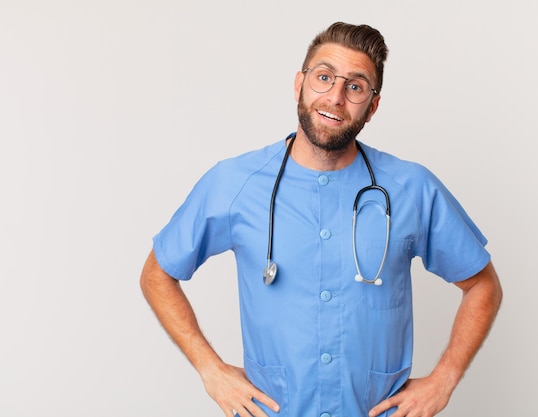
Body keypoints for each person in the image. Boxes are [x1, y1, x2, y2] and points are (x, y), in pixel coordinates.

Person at [140, 21, 503, 417]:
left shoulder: (411, 188)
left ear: (373, 106)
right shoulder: (235, 184)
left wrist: (444, 379)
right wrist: (210, 370)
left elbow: (483, 285)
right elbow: (157, 274)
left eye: (355, 86)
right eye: (324, 77)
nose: (335, 97)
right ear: (299, 84)